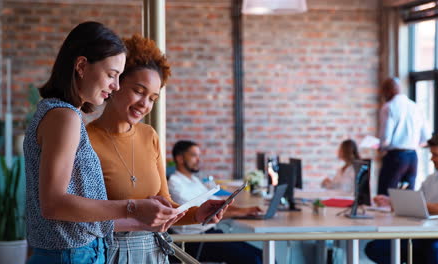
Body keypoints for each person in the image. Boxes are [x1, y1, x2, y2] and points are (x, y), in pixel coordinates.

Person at [24, 22, 187, 264]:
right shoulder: (65, 117)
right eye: (111, 75)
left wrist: (142, 214)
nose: (116, 85)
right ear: (81, 66)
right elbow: (54, 204)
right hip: (73, 257)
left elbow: (74, 219)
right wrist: (132, 207)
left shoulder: (57, 113)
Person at [87, 34, 229, 263]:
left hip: (153, 251)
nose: (145, 104)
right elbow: (81, 216)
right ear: (116, 83)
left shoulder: (149, 136)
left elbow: (166, 206)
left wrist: (198, 214)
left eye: (152, 98)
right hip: (108, 252)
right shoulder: (86, 139)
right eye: (139, 91)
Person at [365, 134, 438, 264]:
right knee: (376, 248)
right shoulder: (432, 179)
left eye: (436, 155)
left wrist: (417, 204)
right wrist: (392, 202)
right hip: (428, 231)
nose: (432, 159)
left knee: (434, 250)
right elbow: (416, 201)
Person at [168, 140, 264, 264]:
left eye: (199, 155)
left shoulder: (194, 180)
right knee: (253, 259)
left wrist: (246, 210)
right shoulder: (175, 184)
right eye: (194, 155)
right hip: (196, 241)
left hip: (211, 233)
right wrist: (242, 212)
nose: (198, 160)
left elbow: (219, 204)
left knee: (262, 255)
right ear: (180, 158)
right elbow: (206, 213)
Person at [377, 77, 431, 195]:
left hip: (395, 156)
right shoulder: (415, 106)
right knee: (407, 197)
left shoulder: (389, 107)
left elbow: (386, 139)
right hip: (413, 157)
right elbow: (426, 139)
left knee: (385, 197)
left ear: (386, 91)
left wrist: (380, 147)